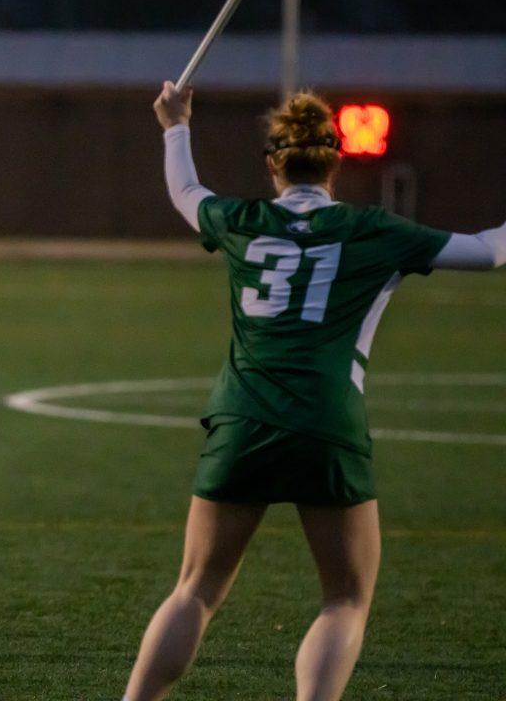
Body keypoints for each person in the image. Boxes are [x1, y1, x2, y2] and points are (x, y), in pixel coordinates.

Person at [123, 82, 506, 701]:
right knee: (346, 598)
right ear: (338, 159)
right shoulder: (371, 229)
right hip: (327, 421)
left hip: (242, 418)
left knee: (196, 588)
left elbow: (186, 193)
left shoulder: (242, 220)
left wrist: (176, 125)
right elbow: (489, 253)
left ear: (273, 164)